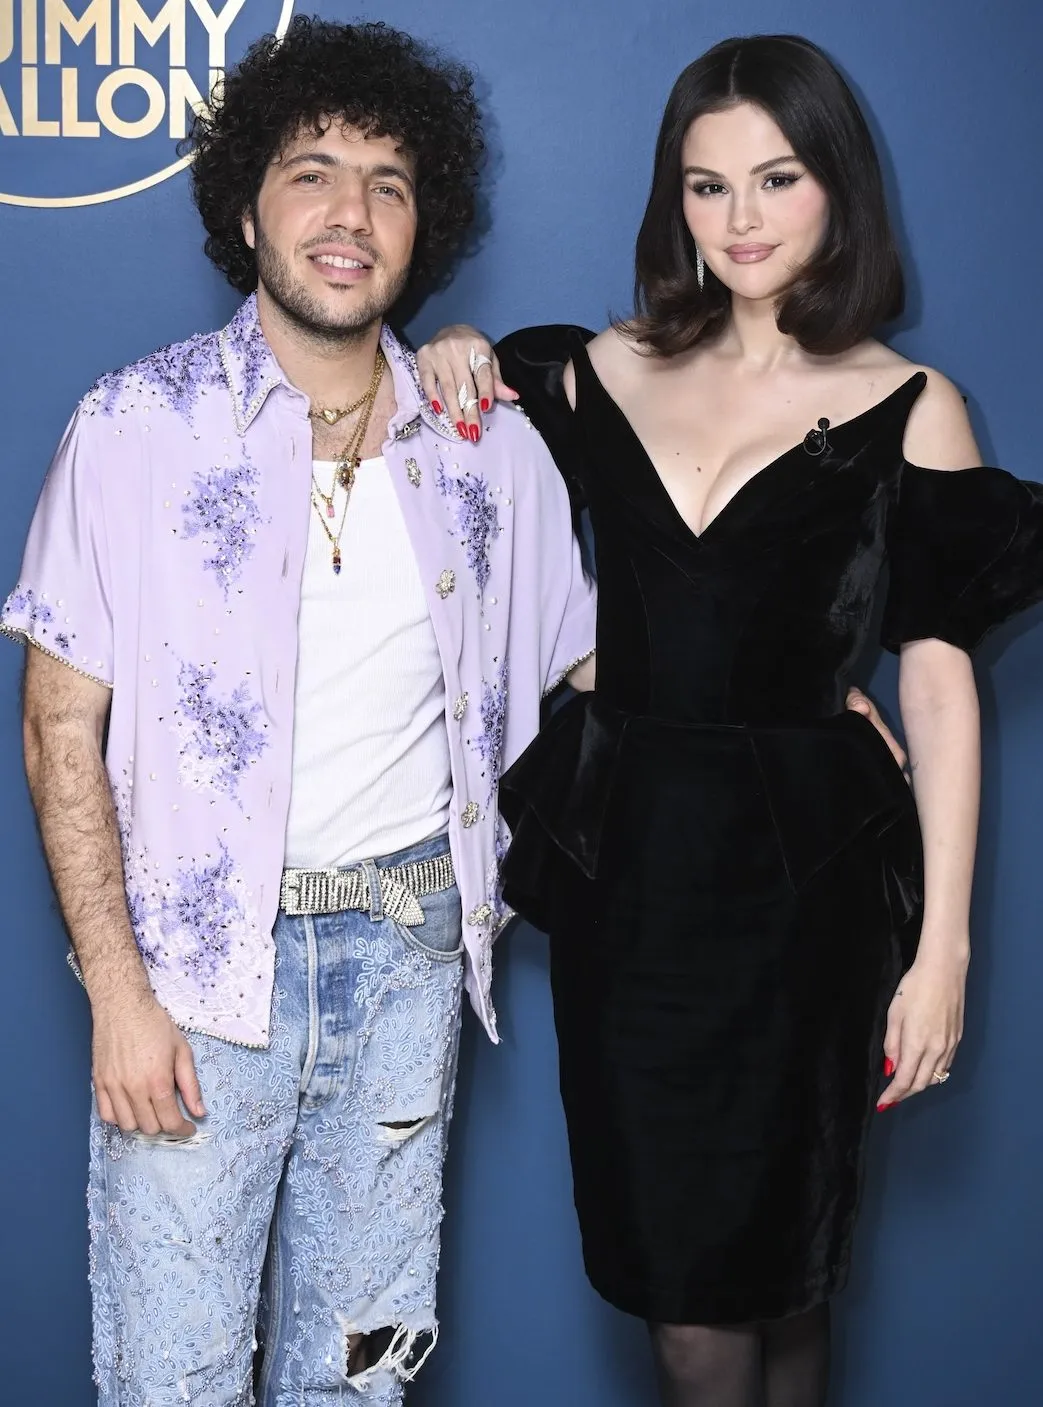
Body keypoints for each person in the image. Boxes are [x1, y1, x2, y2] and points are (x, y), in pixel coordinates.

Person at [417, 33, 1043, 1407]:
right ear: (674, 202)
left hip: (805, 892)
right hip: (631, 888)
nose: (741, 218)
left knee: (790, 1270)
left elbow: (939, 685)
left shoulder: (910, 406)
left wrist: (942, 950)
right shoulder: (593, 371)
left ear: (838, 187)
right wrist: (457, 349)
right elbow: (487, 504)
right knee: (682, 1292)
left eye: (776, 177)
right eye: (707, 186)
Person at [3, 17, 598, 1405]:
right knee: (172, 1379)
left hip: (404, 965)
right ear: (246, 210)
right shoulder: (135, 427)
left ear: (421, 226)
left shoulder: (487, 449)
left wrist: (814, 695)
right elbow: (56, 729)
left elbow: (602, 664)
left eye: (388, 184)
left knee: (360, 1379)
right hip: (196, 977)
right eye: (312, 172)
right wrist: (118, 995)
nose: (350, 214)